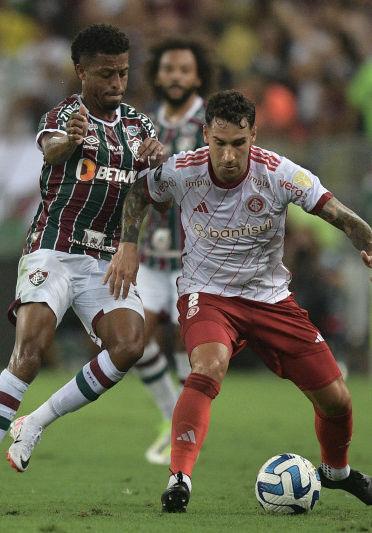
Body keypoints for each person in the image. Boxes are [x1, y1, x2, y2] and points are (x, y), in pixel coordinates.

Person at [104, 90, 372, 513]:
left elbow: (344, 217)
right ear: (204, 133)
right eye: (219, 142)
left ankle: (337, 474)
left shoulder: (280, 174)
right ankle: (179, 479)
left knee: (338, 400)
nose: (228, 155)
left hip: (270, 299)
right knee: (207, 368)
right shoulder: (182, 170)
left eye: (238, 144)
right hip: (207, 294)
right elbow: (137, 194)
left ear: (253, 135)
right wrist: (128, 247)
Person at [0, 23, 167, 509]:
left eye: (123, 74)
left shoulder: (140, 126)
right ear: (81, 71)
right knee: (31, 349)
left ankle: (35, 423)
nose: (116, 84)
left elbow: (151, 192)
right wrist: (69, 142)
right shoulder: (64, 115)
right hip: (54, 248)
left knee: (130, 345)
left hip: (105, 257)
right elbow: (50, 150)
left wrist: (159, 159)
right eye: (106, 74)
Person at [133, 37, 215, 465]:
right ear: (158, 74)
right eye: (169, 69)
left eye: (185, 70)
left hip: (198, 256)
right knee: (129, 340)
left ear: (197, 75)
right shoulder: (143, 123)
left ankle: (185, 434)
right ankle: (169, 417)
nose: (177, 77)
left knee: (192, 351)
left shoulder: (212, 122)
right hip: (149, 254)